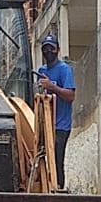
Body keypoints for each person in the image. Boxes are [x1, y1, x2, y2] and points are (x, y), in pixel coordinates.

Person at [37, 33, 75, 190]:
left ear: (57, 50)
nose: (48, 52)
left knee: (57, 159)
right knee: (41, 157)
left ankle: (58, 187)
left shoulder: (64, 70)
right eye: (45, 49)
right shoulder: (42, 70)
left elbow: (70, 96)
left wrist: (52, 87)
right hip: (45, 122)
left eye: (51, 49)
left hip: (60, 125)